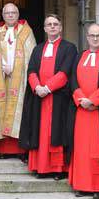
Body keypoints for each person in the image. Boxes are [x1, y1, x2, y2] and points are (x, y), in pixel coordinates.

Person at [20, 14, 77, 179]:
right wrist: (37, 87)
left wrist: (48, 88)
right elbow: (31, 70)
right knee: (40, 133)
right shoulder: (38, 49)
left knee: (56, 133)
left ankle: (57, 169)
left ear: (60, 27)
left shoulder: (69, 48)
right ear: (44, 28)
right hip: (39, 98)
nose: (52, 27)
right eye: (49, 24)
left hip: (58, 98)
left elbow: (65, 72)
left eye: (55, 24)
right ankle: (40, 167)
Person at [68, 23, 99, 198]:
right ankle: (82, 185)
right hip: (81, 111)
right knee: (81, 150)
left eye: (98, 35)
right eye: (92, 35)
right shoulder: (80, 56)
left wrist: (93, 100)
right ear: (87, 37)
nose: (95, 38)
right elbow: (72, 79)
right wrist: (81, 99)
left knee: (97, 150)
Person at [0, 3, 36, 158]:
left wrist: (16, 68)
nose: (10, 15)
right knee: (2, 110)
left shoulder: (26, 32)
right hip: (1, 79)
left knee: (19, 112)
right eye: (7, 13)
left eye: (13, 13)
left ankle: (20, 149)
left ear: (18, 14)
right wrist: (2, 66)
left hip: (20, 80)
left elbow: (32, 56)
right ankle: (2, 149)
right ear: (2, 15)